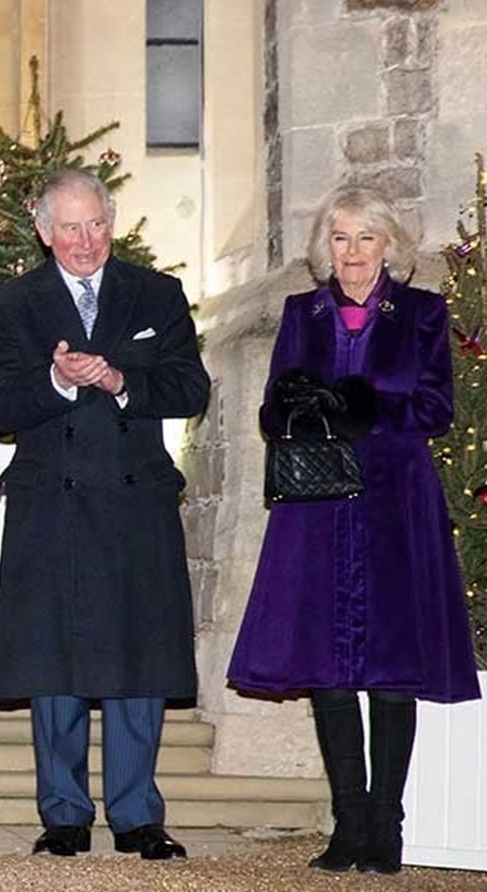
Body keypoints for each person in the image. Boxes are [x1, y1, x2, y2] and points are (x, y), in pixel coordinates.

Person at [228, 185, 480, 876]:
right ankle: (349, 824)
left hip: (396, 501)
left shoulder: (422, 313)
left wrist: (363, 405)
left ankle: (387, 828)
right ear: (325, 247)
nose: (353, 252)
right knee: (328, 669)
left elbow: (436, 408)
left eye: (366, 238)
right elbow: (272, 412)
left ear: (388, 246)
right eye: (340, 238)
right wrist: (298, 404)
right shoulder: (300, 313)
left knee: (394, 668)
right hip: (316, 507)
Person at [0, 169, 210, 861]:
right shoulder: (13, 303)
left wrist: (118, 380)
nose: (86, 241)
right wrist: (55, 380)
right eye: (71, 228)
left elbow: (189, 387)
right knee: (54, 666)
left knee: (140, 659)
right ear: (44, 232)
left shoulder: (157, 293)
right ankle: (64, 815)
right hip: (52, 505)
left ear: (112, 224)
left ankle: (138, 816)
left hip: (136, 502)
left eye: (97, 225)